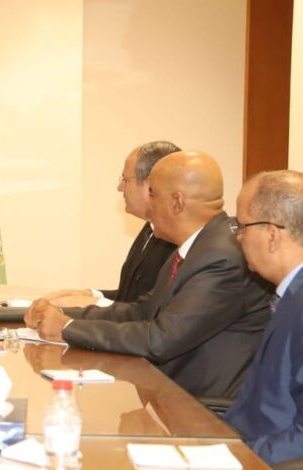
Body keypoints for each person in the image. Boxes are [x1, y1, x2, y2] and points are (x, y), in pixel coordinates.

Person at [25, 151, 273, 398]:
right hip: (168, 393)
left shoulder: (222, 256)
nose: (148, 205)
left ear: (177, 202)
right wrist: (63, 314)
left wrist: (67, 328)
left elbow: (160, 339)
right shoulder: (198, 246)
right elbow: (141, 311)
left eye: (152, 194)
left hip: (199, 407)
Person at [224, 170, 303, 464]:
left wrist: (237, 458)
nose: (239, 238)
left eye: (242, 226)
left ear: (272, 235)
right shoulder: (291, 293)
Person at [44, 141, 178, 306]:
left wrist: (95, 302)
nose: (120, 188)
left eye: (125, 180)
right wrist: (90, 295)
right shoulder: (150, 228)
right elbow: (130, 297)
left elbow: (151, 310)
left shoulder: (175, 238)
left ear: (150, 184)